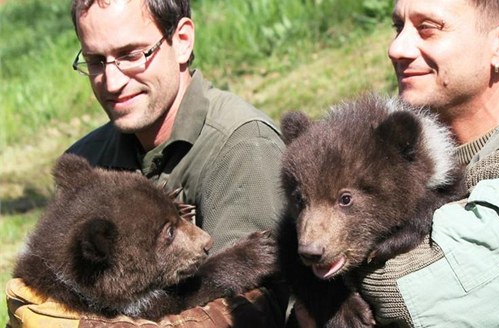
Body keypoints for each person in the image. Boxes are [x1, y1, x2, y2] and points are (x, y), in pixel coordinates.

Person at [6, 0, 288, 327]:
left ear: (182, 41)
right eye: (96, 60)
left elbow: (252, 308)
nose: (111, 82)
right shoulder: (90, 162)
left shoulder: (241, 148)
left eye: (131, 55)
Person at [292, 0, 499, 327]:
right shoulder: (410, 160)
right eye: (397, 28)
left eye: (427, 29)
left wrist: (308, 280)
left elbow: (416, 294)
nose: (396, 48)